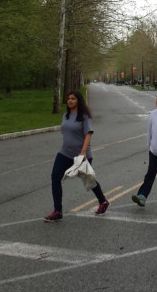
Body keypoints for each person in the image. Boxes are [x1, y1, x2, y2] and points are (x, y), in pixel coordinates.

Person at [44, 90, 110, 222]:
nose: (70, 101)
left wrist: (83, 152)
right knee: (55, 177)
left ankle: (103, 201)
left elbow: (88, 134)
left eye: (73, 98)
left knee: (89, 181)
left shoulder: (84, 116)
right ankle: (58, 211)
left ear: (79, 100)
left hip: (81, 155)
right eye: (68, 98)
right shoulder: (66, 116)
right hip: (64, 153)